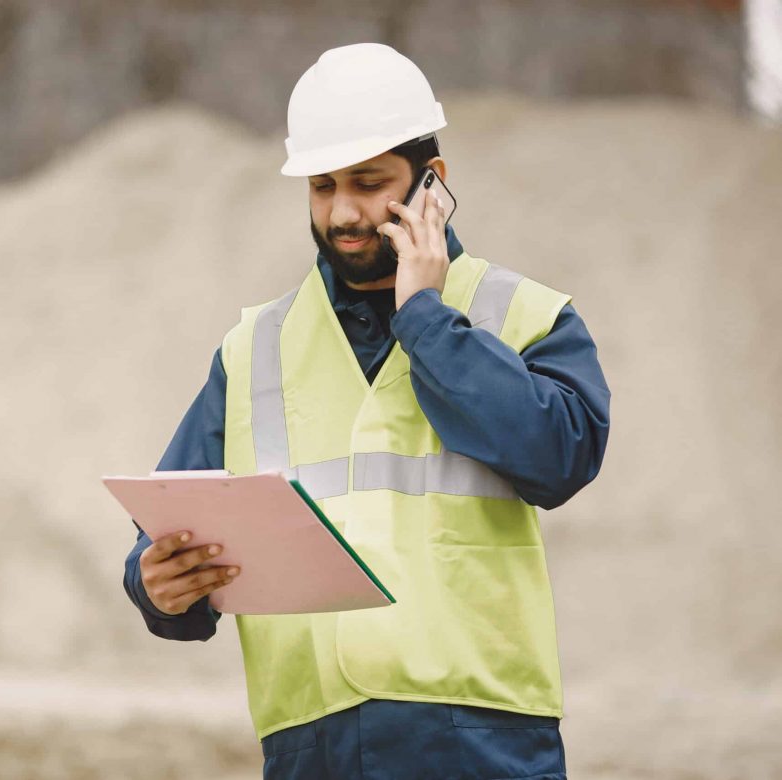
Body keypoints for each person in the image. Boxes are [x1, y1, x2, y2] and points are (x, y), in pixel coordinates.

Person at [121, 42, 610, 779]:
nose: (342, 211)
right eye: (322, 186)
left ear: (431, 184)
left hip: (481, 743)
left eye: (368, 182)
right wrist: (157, 588)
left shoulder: (523, 315)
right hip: (313, 747)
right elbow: (167, 526)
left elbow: (561, 456)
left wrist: (426, 320)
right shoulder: (256, 347)